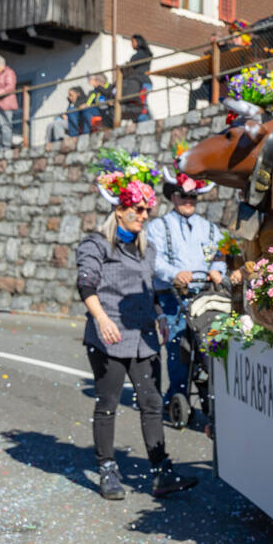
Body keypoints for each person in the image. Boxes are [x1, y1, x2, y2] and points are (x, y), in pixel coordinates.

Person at [77, 151, 198, 500]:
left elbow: (150, 289)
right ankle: (107, 470)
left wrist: (159, 315)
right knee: (108, 403)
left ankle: (161, 472)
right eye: (138, 210)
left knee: (151, 402)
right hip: (109, 336)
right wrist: (101, 320)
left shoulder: (147, 249)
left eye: (148, 211)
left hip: (144, 339)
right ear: (119, 209)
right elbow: (86, 285)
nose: (144, 216)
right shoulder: (96, 244)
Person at [144, 170, 224, 409]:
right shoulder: (159, 227)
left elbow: (220, 256)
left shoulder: (209, 228)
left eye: (193, 197)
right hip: (173, 297)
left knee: (209, 347)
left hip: (205, 296)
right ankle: (177, 396)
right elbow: (154, 261)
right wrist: (174, 274)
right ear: (173, 197)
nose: (189, 201)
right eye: (183, 196)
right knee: (178, 349)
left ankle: (209, 393)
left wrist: (218, 270)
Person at [123, 34, 153, 122]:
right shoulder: (146, 54)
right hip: (141, 83)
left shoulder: (141, 55)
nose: (131, 44)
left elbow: (130, 66)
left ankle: (147, 121)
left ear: (138, 42)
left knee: (141, 104)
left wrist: (127, 65)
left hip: (142, 83)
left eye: (133, 42)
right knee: (140, 103)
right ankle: (145, 120)